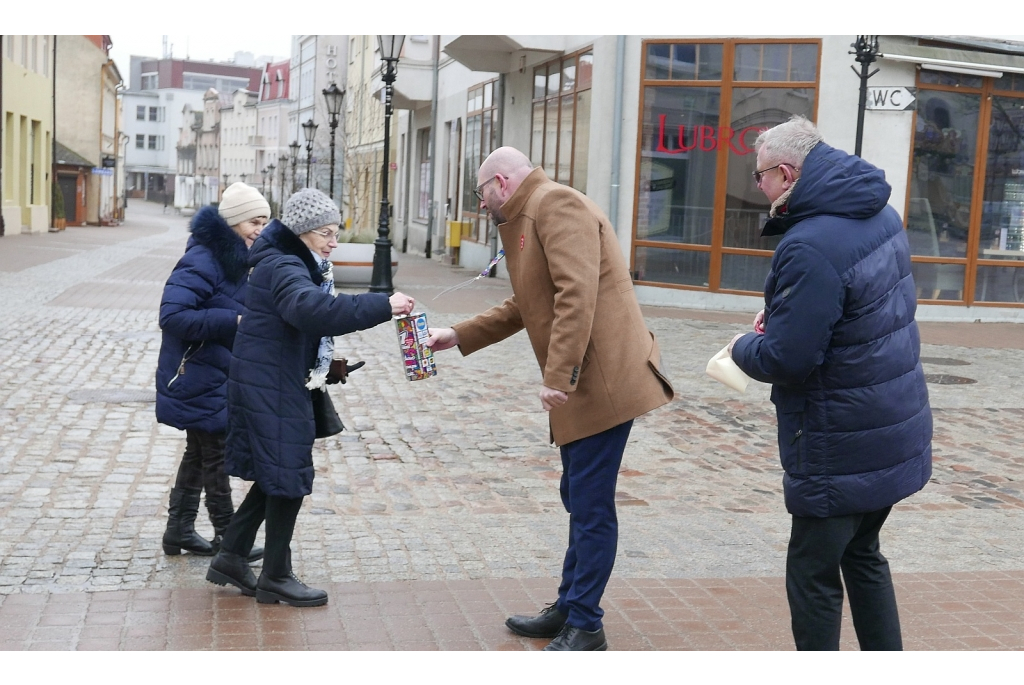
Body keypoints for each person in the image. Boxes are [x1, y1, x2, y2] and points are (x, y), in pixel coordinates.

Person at [426, 147, 674, 650]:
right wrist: (459, 333)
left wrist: (559, 377)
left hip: (601, 382)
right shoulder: (530, 212)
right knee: (579, 498)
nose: (482, 204)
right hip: (589, 381)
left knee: (590, 504)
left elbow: (575, 294)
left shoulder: (554, 204)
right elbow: (528, 300)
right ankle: (569, 605)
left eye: (481, 193)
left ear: (500, 181)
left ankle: (587, 623)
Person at [728, 116, 933, 650]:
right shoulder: (879, 213)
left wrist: (740, 348)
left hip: (837, 438)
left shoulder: (810, 243)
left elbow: (787, 359)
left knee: (813, 577)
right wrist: (786, 314)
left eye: (762, 176)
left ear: (788, 173)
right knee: (863, 556)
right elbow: (850, 313)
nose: (759, 188)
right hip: (888, 424)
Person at [206, 187, 415, 607]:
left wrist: (324, 363)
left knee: (278, 474)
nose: (333, 242)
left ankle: (231, 555)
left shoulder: (288, 261)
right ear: (301, 232)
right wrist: (382, 304)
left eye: (336, 232)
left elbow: (297, 323)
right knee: (288, 477)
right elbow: (311, 310)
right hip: (271, 384)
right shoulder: (284, 265)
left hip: (274, 378)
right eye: (326, 233)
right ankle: (276, 576)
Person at [156, 182, 270, 561]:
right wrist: (232, 320)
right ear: (234, 222)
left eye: (265, 222)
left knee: (198, 450)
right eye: (254, 221)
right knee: (216, 450)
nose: (260, 229)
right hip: (195, 374)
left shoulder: (236, 259)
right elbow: (172, 316)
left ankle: (179, 529)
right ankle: (228, 536)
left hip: (212, 372)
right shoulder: (204, 259)